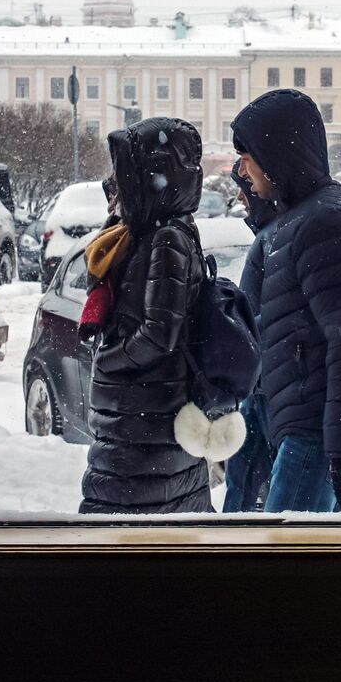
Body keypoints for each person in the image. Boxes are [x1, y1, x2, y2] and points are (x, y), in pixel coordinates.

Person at [230, 88, 341, 512]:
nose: (241, 169)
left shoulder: (326, 223)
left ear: (276, 154)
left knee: (284, 562)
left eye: (247, 155)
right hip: (309, 421)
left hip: (320, 431)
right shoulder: (306, 215)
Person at [79, 117, 212, 514]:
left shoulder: (167, 238)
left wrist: (110, 360)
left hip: (146, 427)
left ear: (153, 175)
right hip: (137, 426)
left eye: (123, 172)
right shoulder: (138, 233)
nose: (114, 183)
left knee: (124, 545)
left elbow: (159, 331)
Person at [220, 159, 276, 512]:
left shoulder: (278, 238)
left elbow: (273, 316)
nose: (241, 196)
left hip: (272, 388)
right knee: (239, 485)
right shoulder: (265, 235)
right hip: (259, 391)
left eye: (244, 186)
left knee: (290, 508)